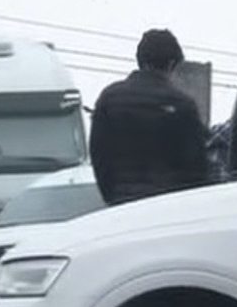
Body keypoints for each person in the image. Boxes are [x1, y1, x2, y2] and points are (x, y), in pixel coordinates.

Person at [89, 29, 209, 205]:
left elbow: (99, 156)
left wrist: (112, 197)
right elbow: (197, 168)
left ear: (140, 60)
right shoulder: (182, 104)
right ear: (171, 64)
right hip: (167, 207)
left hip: (121, 203)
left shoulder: (109, 98)